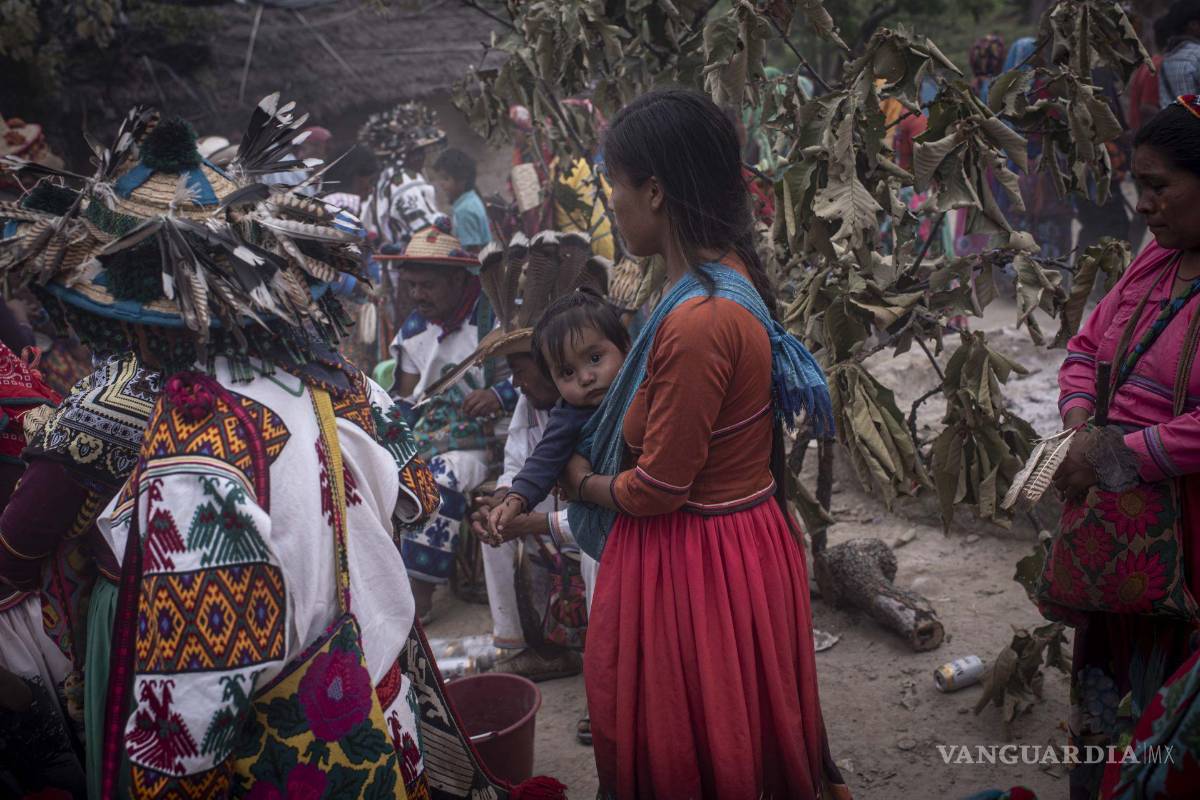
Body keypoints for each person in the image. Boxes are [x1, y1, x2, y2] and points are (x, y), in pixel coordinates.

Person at [0, 104, 444, 799]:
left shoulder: (194, 453)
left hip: (283, 769)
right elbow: (423, 490)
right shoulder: (335, 377)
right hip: (384, 723)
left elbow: (189, 716)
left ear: (134, 322)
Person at [556, 88, 850, 799]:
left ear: (654, 191)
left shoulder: (698, 319)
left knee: (695, 747)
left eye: (615, 187)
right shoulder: (720, 282)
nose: (612, 204)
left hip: (697, 569)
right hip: (731, 553)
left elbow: (658, 489)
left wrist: (582, 484)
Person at [1051, 95, 1200, 799]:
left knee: (1174, 711)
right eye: (1137, 186)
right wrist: (1083, 426)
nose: (1142, 204)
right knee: (1107, 691)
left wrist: (1118, 455)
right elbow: (1084, 350)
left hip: (1190, 537)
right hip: (1117, 534)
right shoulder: (1153, 263)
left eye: (1160, 186)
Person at [388, 220, 517, 620]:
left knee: (437, 478)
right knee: (386, 473)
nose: (416, 295)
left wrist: (497, 394)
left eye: (426, 285)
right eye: (411, 285)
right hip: (433, 435)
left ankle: (420, 596)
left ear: (459, 280)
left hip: (492, 442)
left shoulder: (493, 319)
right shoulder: (414, 329)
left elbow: (536, 376)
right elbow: (408, 398)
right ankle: (390, 582)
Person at [488, 290, 629, 538]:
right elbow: (545, 456)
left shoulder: (647, 391)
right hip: (609, 527)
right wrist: (516, 498)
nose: (586, 378)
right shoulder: (570, 413)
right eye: (567, 372)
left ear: (626, 348)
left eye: (595, 358)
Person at [432, 148, 492, 251]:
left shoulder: (464, 211)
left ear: (462, 179)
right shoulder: (471, 199)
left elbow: (472, 251)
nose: (441, 184)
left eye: (446, 178)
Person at [1159, 1, 1200, 105]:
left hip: (1176, 121)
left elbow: (1165, 104)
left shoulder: (1167, 59)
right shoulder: (1197, 54)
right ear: (1193, 25)